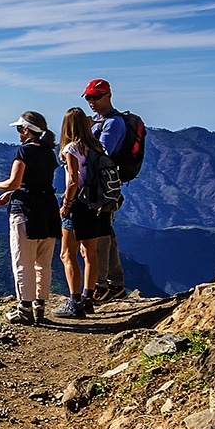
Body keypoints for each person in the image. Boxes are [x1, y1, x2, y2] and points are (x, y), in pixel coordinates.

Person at [0, 111, 59, 324]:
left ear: (27, 130)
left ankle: (24, 309)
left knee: (23, 260)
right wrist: (11, 194)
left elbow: (15, 182)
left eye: (19, 129)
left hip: (26, 211)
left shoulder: (24, 151)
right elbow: (37, 183)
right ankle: (39, 307)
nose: (18, 133)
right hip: (48, 209)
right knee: (43, 262)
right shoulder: (48, 152)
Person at [53, 107, 112, 319]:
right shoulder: (97, 146)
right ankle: (88, 299)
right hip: (95, 204)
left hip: (77, 204)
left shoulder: (71, 148)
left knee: (67, 254)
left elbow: (72, 181)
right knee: (90, 253)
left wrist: (66, 205)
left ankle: (74, 303)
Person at [84, 79, 127, 302]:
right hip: (98, 187)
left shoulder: (113, 124)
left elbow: (101, 153)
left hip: (102, 189)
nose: (91, 101)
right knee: (106, 232)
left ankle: (100, 286)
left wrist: (82, 134)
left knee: (99, 234)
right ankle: (115, 284)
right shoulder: (99, 122)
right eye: (88, 97)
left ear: (108, 95)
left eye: (96, 96)